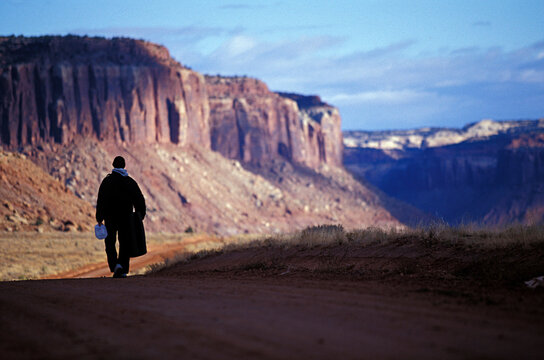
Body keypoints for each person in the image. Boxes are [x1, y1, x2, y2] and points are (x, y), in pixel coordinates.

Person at [96, 156, 146, 278]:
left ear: (113, 165)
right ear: (124, 166)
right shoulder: (130, 182)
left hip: (110, 218)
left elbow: (100, 200)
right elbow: (139, 200)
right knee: (125, 243)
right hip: (126, 218)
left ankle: (115, 266)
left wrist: (99, 217)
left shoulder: (107, 181)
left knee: (110, 243)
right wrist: (139, 215)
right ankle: (123, 269)